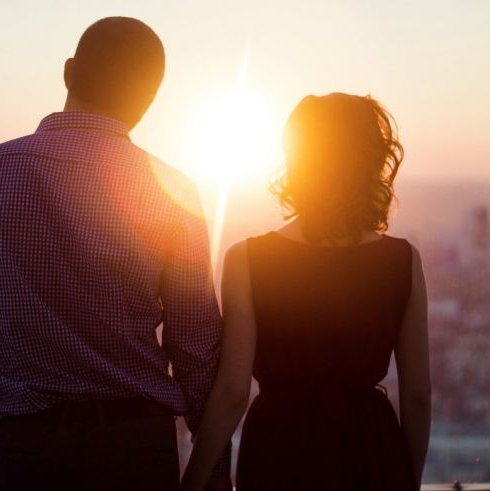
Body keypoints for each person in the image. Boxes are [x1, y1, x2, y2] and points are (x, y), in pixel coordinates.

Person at [0, 17, 230, 491]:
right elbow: (195, 349)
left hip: (29, 452)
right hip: (137, 451)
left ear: (68, 73)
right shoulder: (170, 191)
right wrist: (215, 467)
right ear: (149, 100)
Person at [182, 93, 432, 490]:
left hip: (280, 447)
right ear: (371, 162)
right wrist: (405, 479)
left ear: (297, 161)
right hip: (369, 448)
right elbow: (417, 395)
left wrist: (193, 481)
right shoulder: (403, 260)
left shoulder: (248, 258)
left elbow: (232, 392)